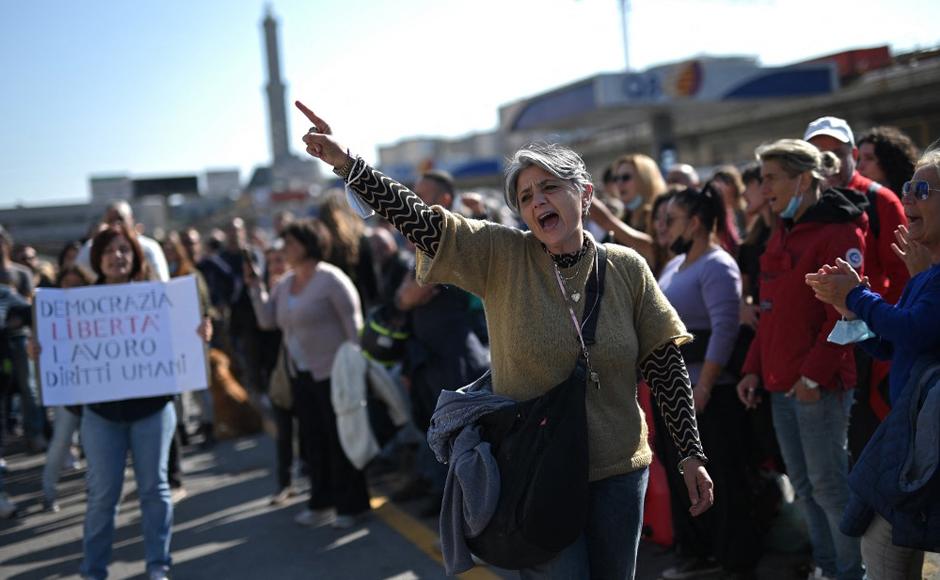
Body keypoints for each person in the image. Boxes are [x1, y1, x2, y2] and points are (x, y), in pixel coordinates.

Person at [297, 101, 713, 578]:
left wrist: (690, 454)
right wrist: (349, 164)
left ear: (585, 196)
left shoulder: (626, 267)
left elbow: (664, 363)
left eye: (550, 188)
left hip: (621, 472)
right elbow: (423, 222)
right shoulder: (502, 254)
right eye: (526, 195)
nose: (537, 202)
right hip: (537, 475)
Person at [39, 223, 212, 580]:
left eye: (124, 250)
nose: (116, 256)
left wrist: (199, 335)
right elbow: (65, 354)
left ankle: (158, 566)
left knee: (155, 490)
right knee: (103, 497)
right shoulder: (78, 304)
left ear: (134, 256)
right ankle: (94, 570)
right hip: (102, 415)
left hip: (151, 410)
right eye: (108, 250)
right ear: (97, 259)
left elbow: (183, 346)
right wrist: (40, 351)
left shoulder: (159, 298)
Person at [804, 149, 940, 579]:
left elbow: (915, 330)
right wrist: (851, 311)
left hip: (929, 448)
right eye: (908, 189)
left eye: (922, 190)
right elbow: (892, 345)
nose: (910, 201)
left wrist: (858, 298)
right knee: (879, 543)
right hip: (915, 440)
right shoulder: (926, 273)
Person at [736, 139, 865, 580]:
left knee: (830, 488)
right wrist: (754, 366)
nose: (763, 187)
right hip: (780, 386)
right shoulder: (782, 229)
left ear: (803, 179)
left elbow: (850, 319)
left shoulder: (839, 232)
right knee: (807, 488)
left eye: (771, 178)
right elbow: (770, 312)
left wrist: (811, 379)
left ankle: (852, 572)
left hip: (818, 389)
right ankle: (829, 569)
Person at [657, 185, 759, 579]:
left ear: (696, 223)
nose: (664, 228)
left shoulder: (718, 265)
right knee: (683, 476)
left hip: (709, 393)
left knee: (722, 480)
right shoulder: (673, 266)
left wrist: (702, 387)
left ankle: (734, 559)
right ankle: (698, 553)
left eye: (672, 220)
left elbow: (725, 330)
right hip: (674, 393)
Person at [247, 218, 370, 529]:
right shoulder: (286, 283)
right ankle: (321, 501)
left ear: (309, 244)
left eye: (290, 243)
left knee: (340, 441)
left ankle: (350, 506)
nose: (284, 249)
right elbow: (268, 321)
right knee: (313, 441)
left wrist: (357, 370)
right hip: (301, 375)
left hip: (335, 375)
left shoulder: (331, 279)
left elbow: (354, 328)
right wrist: (254, 287)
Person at [804, 116, 910, 465]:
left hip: (869, 343)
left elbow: (904, 278)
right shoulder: (803, 204)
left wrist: (872, 321)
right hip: (818, 342)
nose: (829, 163)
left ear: (853, 153)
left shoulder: (882, 201)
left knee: (867, 449)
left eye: (835, 152)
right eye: (819, 155)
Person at [389, 170, 490, 518]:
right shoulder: (419, 240)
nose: (414, 202)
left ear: (445, 199)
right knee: (437, 431)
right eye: (412, 194)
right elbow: (404, 296)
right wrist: (406, 298)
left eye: (423, 194)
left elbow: (418, 288)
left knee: (462, 436)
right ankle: (448, 500)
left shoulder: (455, 239)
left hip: (455, 355)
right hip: (428, 356)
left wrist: (409, 294)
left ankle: (470, 511)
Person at [40, 265, 93, 512]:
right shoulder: (50, 315)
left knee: (94, 446)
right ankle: (48, 492)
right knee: (60, 443)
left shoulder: (96, 312)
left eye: (77, 285)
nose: (71, 290)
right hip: (68, 392)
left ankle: (95, 490)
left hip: (95, 391)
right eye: (66, 285)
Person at [76, 200, 170, 282]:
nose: (116, 224)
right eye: (108, 251)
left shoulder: (149, 246)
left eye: (124, 249)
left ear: (131, 220)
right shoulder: (93, 246)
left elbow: (161, 281)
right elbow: (80, 265)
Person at [610, 153, 668, 234]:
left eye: (625, 177)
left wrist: (607, 222)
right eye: (616, 178)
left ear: (645, 180)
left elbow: (652, 246)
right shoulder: (623, 218)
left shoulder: (659, 217)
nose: (619, 183)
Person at [856, 127, 920, 198]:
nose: (860, 166)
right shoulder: (855, 199)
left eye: (869, 158)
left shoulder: (913, 199)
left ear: (889, 161)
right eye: (858, 159)